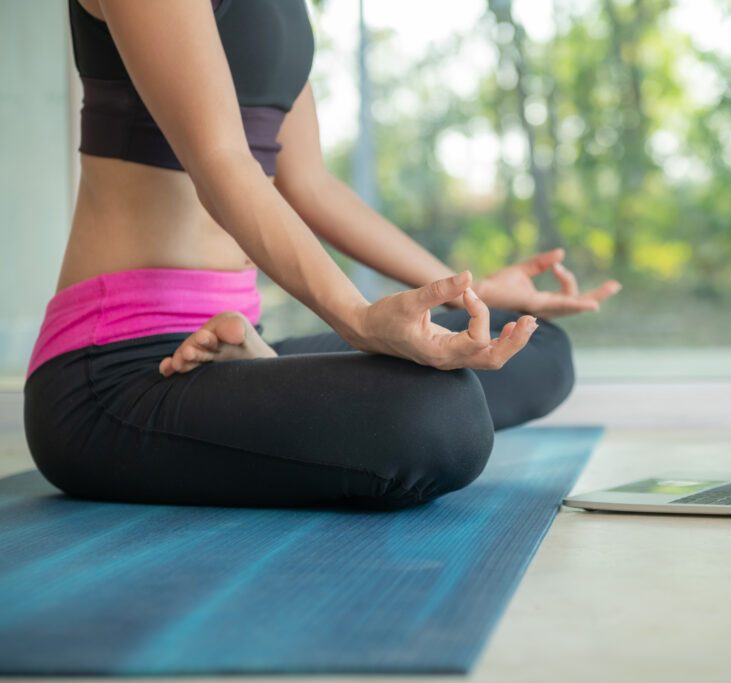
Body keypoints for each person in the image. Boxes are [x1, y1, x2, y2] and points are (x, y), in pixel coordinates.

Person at [22, 0, 621, 510]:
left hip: (224, 343)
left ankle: (246, 368)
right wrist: (359, 321)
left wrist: (472, 296)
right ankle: (249, 376)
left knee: (532, 348)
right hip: (111, 374)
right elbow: (221, 161)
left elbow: (310, 185)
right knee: (442, 420)